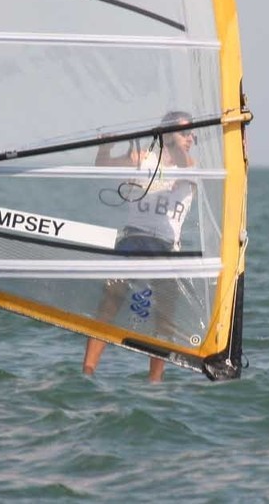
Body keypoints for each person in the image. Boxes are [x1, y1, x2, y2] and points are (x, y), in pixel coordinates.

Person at [82, 110, 197, 383]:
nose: (190, 138)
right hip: (133, 239)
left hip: (167, 247)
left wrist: (171, 138)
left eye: (192, 133)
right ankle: (87, 371)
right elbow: (103, 165)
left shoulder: (191, 166)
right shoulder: (143, 158)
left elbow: (180, 158)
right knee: (109, 303)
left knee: (164, 317)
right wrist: (105, 146)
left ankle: (154, 382)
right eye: (185, 132)